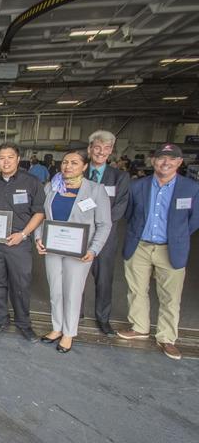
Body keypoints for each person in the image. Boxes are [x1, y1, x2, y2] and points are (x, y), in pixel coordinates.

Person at [117, 143, 199, 361]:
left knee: (170, 296)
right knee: (136, 289)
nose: (166, 162)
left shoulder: (191, 188)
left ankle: (166, 337)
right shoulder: (138, 186)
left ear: (179, 163)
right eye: (162, 158)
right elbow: (129, 214)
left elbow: (194, 220)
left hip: (171, 248)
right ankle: (139, 327)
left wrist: (176, 236)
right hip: (140, 245)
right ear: (153, 161)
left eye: (171, 159)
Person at [35, 150, 112, 353]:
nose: (68, 166)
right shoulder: (51, 187)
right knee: (56, 290)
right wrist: (38, 238)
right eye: (65, 162)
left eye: (74, 163)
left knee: (72, 291)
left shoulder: (96, 190)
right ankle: (57, 327)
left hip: (80, 251)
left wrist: (94, 249)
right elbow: (41, 216)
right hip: (53, 247)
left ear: (85, 166)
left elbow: (104, 224)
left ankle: (69, 332)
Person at [0, 143, 45, 342]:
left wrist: (23, 234)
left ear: (18, 158)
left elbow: (39, 212)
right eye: (2, 158)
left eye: (10, 157)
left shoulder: (31, 182)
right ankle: (1, 319)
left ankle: (24, 323)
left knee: (20, 284)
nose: (5, 161)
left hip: (19, 243)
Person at [86, 130, 130, 336]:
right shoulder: (79, 172)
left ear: (111, 151)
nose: (101, 152)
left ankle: (103, 318)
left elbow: (119, 208)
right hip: (79, 235)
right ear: (90, 149)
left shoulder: (119, 177)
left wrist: (99, 227)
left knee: (104, 280)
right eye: (97, 147)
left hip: (105, 238)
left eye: (106, 148)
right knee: (75, 278)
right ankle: (74, 315)